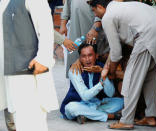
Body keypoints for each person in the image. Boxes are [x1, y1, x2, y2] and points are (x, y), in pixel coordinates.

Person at [88, 0, 156, 129]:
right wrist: (107, 67)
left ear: (100, 6)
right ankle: (150, 116)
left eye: (94, 10)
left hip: (145, 35)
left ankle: (126, 120)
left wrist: (110, 72)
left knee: (130, 78)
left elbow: (116, 52)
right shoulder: (118, 8)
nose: (96, 15)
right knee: (151, 76)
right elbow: (116, 47)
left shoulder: (108, 17)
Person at [1, 0, 59, 131]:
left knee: (32, 123)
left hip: (28, 73)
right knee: (19, 121)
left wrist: (43, 59)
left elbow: (45, 26)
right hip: (10, 73)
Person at [60, 43, 124, 124]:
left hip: (96, 104)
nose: (87, 59)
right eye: (83, 56)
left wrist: (103, 76)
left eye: (90, 55)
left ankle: (87, 115)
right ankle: (109, 116)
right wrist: (101, 84)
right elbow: (85, 96)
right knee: (71, 108)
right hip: (79, 103)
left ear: (96, 56)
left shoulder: (101, 67)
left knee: (121, 102)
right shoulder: (74, 70)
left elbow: (110, 93)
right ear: (79, 58)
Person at [60, 0, 109, 77]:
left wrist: (95, 27)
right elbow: (67, 6)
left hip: (93, 26)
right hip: (75, 28)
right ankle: (76, 84)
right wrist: (63, 24)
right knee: (75, 60)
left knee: (92, 57)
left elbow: (102, 7)